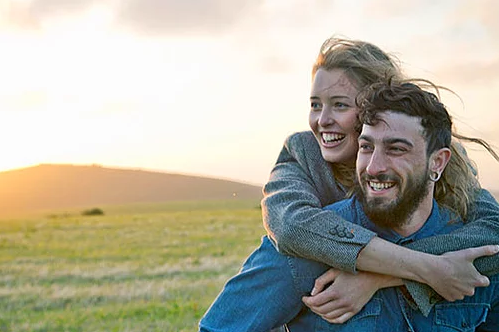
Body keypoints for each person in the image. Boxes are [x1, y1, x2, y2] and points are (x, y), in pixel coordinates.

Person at [198, 38, 499, 332]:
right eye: (315, 105)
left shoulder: (448, 175)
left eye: (340, 105)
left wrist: (378, 277)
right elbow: (291, 227)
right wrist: (428, 269)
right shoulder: (304, 155)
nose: (323, 119)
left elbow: (493, 234)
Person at [285, 79, 499, 331]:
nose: (374, 167)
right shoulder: (303, 253)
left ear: (438, 163)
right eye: (366, 147)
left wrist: (379, 276)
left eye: (396, 149)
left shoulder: (471, 249)